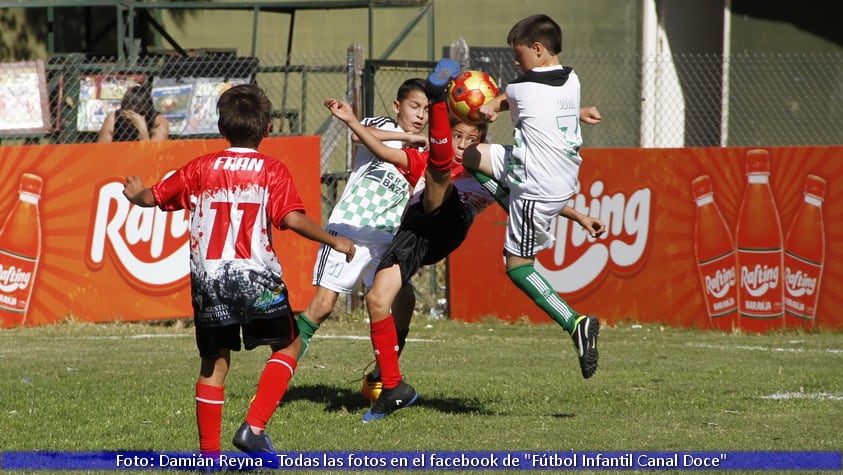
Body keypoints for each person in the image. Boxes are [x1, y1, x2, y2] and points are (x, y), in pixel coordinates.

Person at [324, 58, 605, 422]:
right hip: (415, 232)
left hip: (450, 222)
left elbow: (530, 189)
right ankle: (392, 385)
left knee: (441, 175)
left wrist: (580, 215)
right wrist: (350, 121)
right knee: (378, 300)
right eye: (456, 136)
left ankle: (438, 97)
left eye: (470, 139)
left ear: (480, 143)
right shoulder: (423, 152)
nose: (462, 144)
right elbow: (383, 150)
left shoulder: (483, 169)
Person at [121, 84, 355, 464]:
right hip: (256, 277)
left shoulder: (201, 167)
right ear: (268, 128)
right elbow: (291, 218)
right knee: (289, 346)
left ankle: (209, 459)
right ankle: (254, 428)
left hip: (209, 280)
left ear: (220, 127)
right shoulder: (271, 170)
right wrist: (334, 240)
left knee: (215, 363)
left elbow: (156, 197)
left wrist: (136, 194)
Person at [460, 14, 601, 380]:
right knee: (471, 155)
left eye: (518, 53)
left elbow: (509, 99)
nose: (515, 60)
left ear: (537, 49)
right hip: (550, 173)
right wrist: (579, 111)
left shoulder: (521, 88)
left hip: (535, 187)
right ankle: (509, 203)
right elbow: (550, 103)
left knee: (518, 267)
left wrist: (491, 106)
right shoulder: (572, 79)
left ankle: (576, 323)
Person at [296, 78, 430, 359]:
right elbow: (358, 135)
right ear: (397, 105)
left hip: (385, 238)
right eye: (414, 106)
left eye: (426, 110)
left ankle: (386, 369)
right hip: (350, 232)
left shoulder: (422, 153)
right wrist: (407, 138)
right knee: (322, 306)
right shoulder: (384, 126)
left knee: (404, 298)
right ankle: (281, 364)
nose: (420, 115)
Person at [98, 84, 169, 143]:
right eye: (130, 113)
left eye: (140, 113)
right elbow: (101, 151)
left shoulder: (159, 121)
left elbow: (152, 155)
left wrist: (141, 128)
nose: (133, 117)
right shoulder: (113, 119)